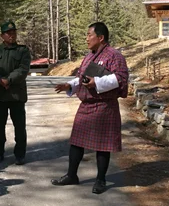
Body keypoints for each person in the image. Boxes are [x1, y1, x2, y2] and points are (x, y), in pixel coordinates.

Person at [52, 22, 129, 194]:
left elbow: (121, 78)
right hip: (86, 105)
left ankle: (100, 180)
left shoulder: (114, 56)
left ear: (100, 38)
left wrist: (97, 82)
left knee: (102, 145)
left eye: (89, 35)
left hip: (105, 106)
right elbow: (82, 79)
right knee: (76, 141)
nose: (86, 38)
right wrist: (69, 85)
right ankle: (72, 175)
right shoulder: (89, 56)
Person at [0, 21, 31, 165]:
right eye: (8, 33)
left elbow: (23, 69)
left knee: (19, 127)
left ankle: (20, 154)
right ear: (2, 35)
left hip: (16, 95)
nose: (12, 35)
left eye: (13, 33)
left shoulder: (23, 51)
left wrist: (8, 80)